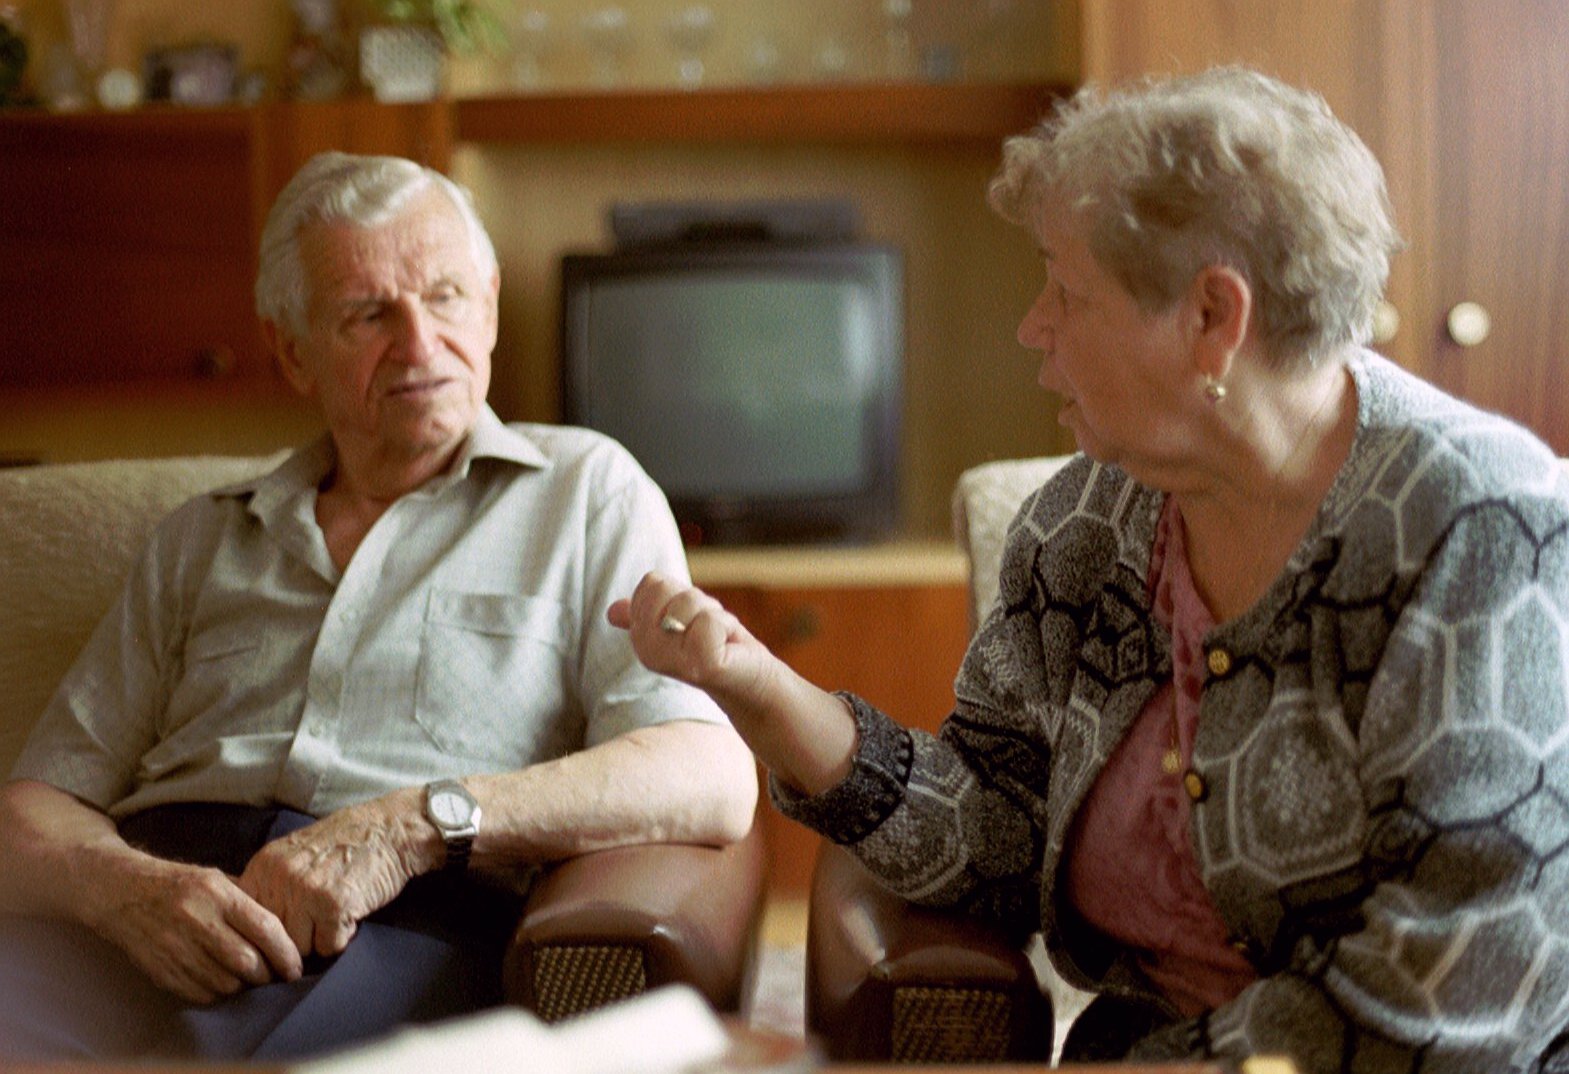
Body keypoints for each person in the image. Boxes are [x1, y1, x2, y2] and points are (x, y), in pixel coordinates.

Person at [611, 67, 1569, 1072]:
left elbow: (1455, 1000)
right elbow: (998, 833)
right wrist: (758, 689)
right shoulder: (1087, 521)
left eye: (1067, 292)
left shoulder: (1483, 531)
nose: (1033, 326)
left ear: (1213, 318)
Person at [0, 151, 757, 1061]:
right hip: (149, 911)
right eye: (367, 314)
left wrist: (410, 826)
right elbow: (33, 809)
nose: (420, 344)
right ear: (292, 350)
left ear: (488, 307)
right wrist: (122, 889)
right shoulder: (201, 537)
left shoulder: (587, 492)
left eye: (445, 297)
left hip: (397, 917)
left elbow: (706, 775)